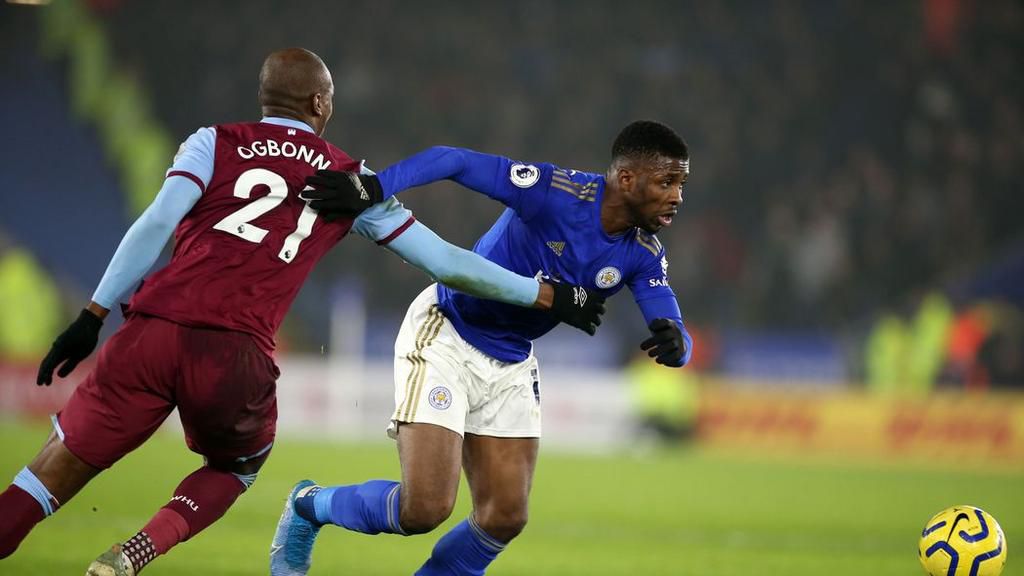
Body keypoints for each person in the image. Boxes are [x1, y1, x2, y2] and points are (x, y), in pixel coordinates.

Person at [0, 48, 604, 576]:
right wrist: (546, 295)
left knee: (47, 475)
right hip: (233, 354)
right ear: (320, 103)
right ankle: (139, 549)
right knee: (236, 466)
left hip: (150, 331)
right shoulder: (349, 179)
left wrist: (92, 314)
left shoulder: (212, 141)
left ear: (265, 98)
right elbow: (448, 264)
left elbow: (155, 223)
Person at [271, 120, 693, 575]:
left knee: (504, 517)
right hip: (448, 332)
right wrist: (375, 187)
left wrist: (677, 344)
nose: (677, 196)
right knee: (424, 509)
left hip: (512, 358)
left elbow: (669, 321)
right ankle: (309, 505)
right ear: (626, 178)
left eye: (681, 185)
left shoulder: (643, 252)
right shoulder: (556, 192)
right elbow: (453, 160)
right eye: (667, 182)